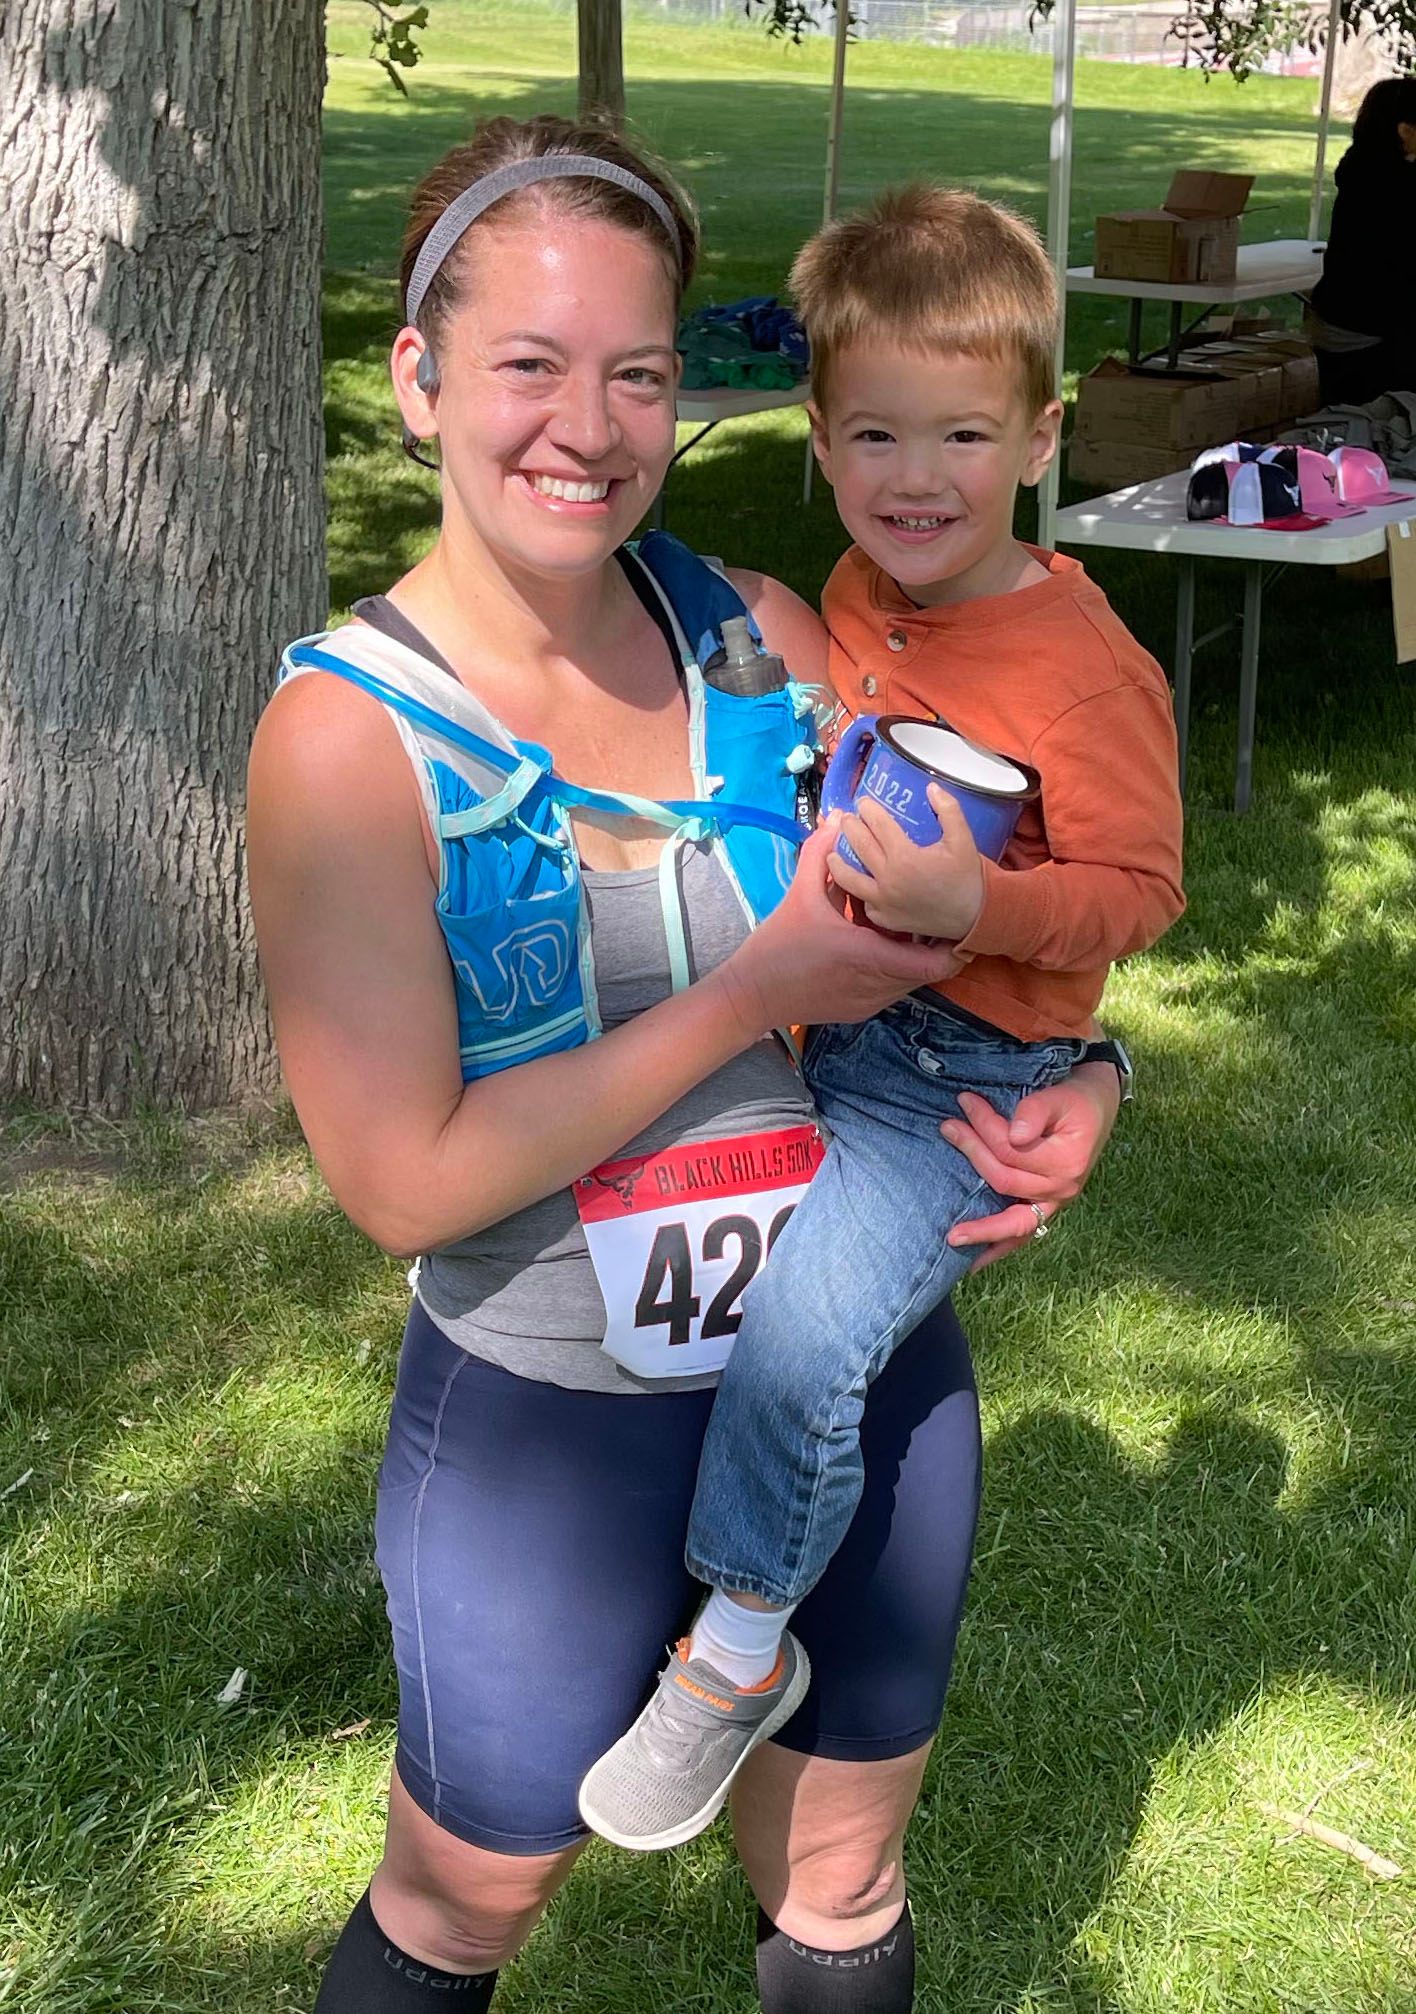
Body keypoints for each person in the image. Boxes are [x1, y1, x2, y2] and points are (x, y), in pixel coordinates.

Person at [248, 118, 1122, 2014]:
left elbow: (949, 941)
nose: (590, 424)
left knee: (838, 1870)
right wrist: (750, 992)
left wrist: (1091, 1071)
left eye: (638, 370)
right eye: (530, 365)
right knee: (464, 1898)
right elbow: (405, 1176)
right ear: (417, 377)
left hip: (856, 1380)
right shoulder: (346, 734)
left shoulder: (763, 638)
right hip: (554, 1426)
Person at [580, 185, 1185, 1854]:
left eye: (964, 435)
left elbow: (1139, 886)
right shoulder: (859, 584)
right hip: (824, 1028)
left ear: (1043, 433)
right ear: (823, 440)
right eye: (875, 436)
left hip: (959, 1075)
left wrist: (984, 918)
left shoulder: (1083, 667)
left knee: (805, 1335)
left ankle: (736, 1646)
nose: (917, 479)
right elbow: (829, 684)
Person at [1307, 75, 1416, 406]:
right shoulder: (1392, 184)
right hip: (1367, 330)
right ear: (1403, 129)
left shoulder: (1364, 168)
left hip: (1345, 318)